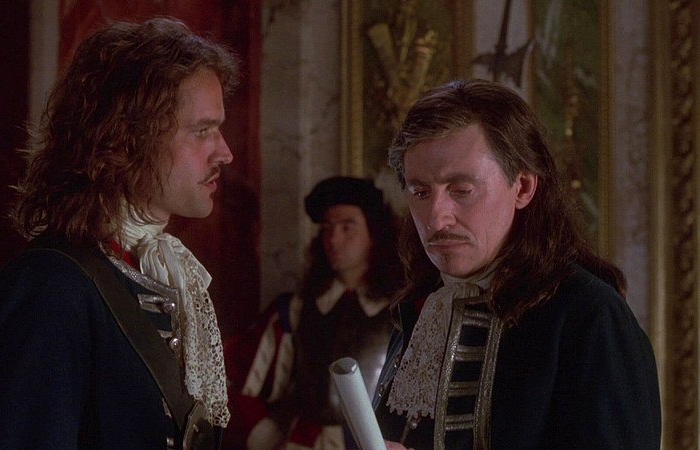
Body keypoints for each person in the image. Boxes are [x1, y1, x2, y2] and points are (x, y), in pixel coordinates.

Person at [0, 17, 240, 449]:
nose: (225, 153)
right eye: (202, 130)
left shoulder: (167, 275)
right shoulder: (48, 290)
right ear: (128, 137)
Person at [372, 79, 661, 449]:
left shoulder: (588, 317)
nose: (436, 218)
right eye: (420, 192)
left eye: (461, 190)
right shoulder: (422, 308)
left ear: (522, 187)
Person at [224, 176, 404, 450]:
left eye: (347, 227)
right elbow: (232, 379)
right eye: (327, 228)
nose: (333, 239)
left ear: (374, 233)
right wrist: (266, 438)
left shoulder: (402, 312)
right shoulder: (294, 309)